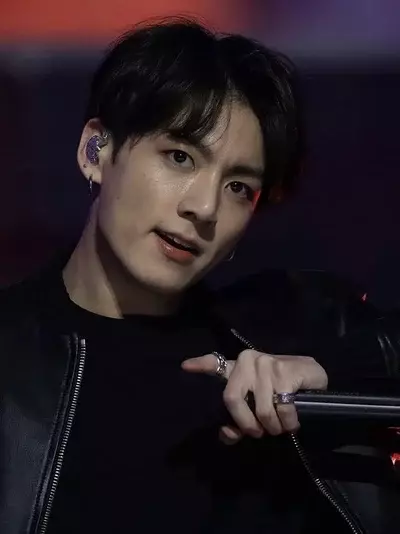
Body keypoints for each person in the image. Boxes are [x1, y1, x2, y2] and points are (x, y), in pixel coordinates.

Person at [0, 17, 398, 534]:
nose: (205, 208)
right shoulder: (12, 357)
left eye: (238, 188)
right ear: (96, 151)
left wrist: (332, 371)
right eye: (180, 157)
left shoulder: (291, 327)